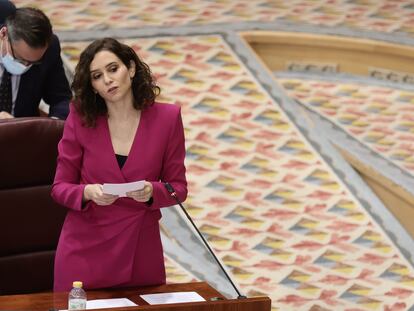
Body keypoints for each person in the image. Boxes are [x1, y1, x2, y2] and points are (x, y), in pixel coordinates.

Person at [51, 37, 187, 291]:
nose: (108, 80)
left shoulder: (168, 119)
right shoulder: (80, 119)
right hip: (84, 251)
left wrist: (151, 192)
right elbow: (59, 187)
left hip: (140, 252)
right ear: (92, 86)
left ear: (131, 69)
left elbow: (177, 187)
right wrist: (86, 192)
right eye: (97, 76)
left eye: (113, 69)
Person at [0, 0, 71, 119]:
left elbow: (61, 99)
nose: (26, 66)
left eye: (34, 62)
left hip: (24, 131)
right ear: (3, 34)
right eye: (20, 59)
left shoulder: (50, 48)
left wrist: (54, 124)